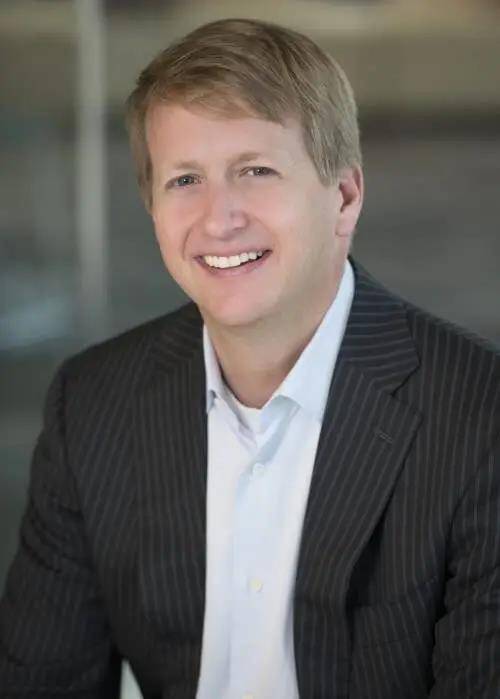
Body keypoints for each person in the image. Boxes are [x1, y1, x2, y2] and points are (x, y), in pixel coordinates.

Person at [1, 17, 499, 699]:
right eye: (185, 180)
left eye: (256, 171)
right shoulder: (92, 403)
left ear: (344, 197)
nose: (219, 218)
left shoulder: (479, 415)